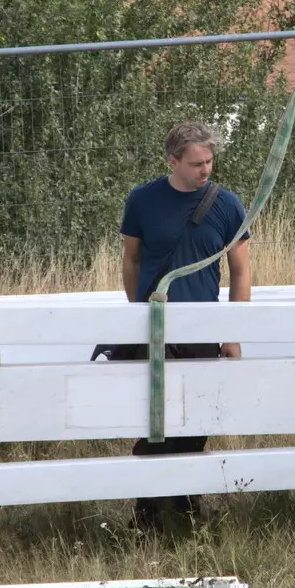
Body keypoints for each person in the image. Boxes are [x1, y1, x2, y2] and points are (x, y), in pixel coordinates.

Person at [106, 121, 251, 524]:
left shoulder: (227, 204)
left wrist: (233, 334)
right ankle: (150, 512)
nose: (205, 170)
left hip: (202, 329)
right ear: (172, 161)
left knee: (195, 420)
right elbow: (131, 261)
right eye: (195, 163)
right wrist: (139, 313)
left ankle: (186, 508)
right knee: (153, 421)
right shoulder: (143, 201)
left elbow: (240, 271)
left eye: (209, 161)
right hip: (154, 329)